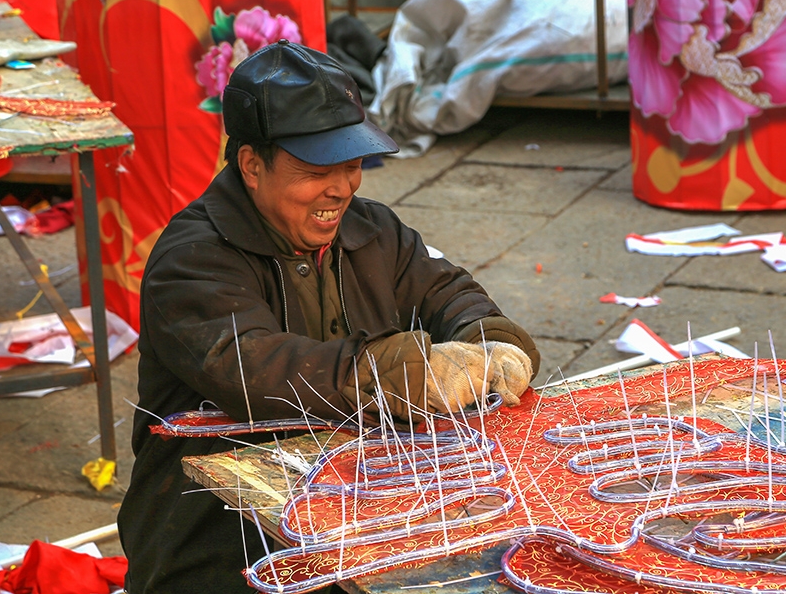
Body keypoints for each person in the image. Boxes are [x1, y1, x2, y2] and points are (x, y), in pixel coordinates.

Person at [117, 40, 540, 593]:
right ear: (251, 164)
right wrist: (414, 372)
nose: (341, 188)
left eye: (352, 163)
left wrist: (493, 344)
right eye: (316, 168)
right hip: (218, 543)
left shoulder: (374, 231)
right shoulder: (192, 260)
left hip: (357, 512)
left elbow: (451, 294)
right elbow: (260, 370)